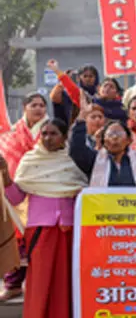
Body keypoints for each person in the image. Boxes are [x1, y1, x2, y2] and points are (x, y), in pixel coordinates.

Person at [3, 118, 88, 318]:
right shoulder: (30, 161)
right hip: (41, 230)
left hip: (69, 230)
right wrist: (6, 175)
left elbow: (84, 191)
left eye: (53, 134)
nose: (48, 138)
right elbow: (16, 198)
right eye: (44, 134)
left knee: (67, 280)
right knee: (40, 281)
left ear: (64, 137)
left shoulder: (73, 161)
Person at [0, 92, 48, 302]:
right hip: (14, 192)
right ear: (24, 108)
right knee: (15, 239)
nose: (38, 108)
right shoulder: (10, 136)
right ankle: (13, 284)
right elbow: (7, 155)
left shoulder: (50, 132)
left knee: (39, 242)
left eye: (41, 105)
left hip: (41, 194)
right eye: (34, 105)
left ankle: (41, 286)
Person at [70, 95, 136, 188]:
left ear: (129, 140)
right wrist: (82, 117)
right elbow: (76, 150)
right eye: (110, 134)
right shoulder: (95, 160)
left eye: (119, 133)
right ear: (104, 141)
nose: (114, 137)